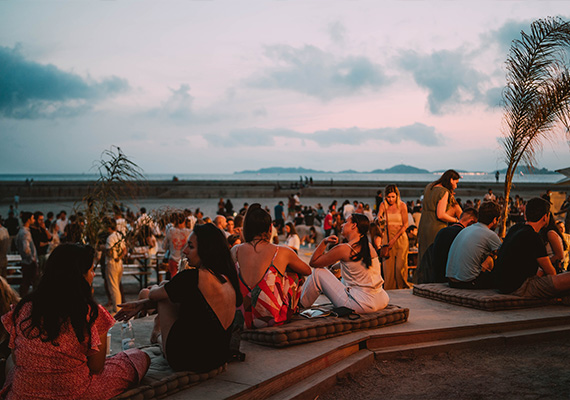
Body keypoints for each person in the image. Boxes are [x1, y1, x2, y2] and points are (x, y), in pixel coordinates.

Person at [1, 244, 150, 399]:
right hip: (77, 393)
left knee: (12, 364)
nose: (93, 275)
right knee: (140, 357)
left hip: (24, 393)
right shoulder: (91, 313)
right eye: (91, 270)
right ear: (80, 276)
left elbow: (16, 357)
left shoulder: (23, 308)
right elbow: (97, 367)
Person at [116, 224, 241, 373]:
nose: (184, 251)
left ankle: (158, 336)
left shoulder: (194, 277)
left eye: (191, 247)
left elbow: (153, 294)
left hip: (188, 360)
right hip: (218, 356)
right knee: (170, 290)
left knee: (163, 291)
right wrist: (142, 304)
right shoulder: (227, 278)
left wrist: (156, 289)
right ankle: (158, 333)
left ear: (206, 250)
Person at [231, 204, 311, 329]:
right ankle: (290, 311)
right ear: (270, 228)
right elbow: (307, 270)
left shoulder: (235, 250)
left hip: (242, 318)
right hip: (269, 319)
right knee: (294, 275)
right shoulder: (282, 251)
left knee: (234, 270)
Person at [300, 214, 389, 313]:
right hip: (381, 299)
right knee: (344, 277)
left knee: (317, 272)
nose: (342, 225)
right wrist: (335, 267)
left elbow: (314, 262)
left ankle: (299, 304)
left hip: (361, 303)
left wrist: (324, 242)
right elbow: (356, 264)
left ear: (354, 225)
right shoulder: (368, 246)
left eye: (346, 222)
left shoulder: (344, 249)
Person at [493, 197, 570, 297]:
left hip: (501, 285)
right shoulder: (534, 237)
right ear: (545, 217)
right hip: (519, 287)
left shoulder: (515, 228)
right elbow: (551, 272)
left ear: (526, 215)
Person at [445, 202, 502, 289]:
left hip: (451, 281)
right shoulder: (490, 235)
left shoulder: (466, 229)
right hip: (468, 282)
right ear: (494, 220)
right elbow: (505, 256)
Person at [414, 207, 478, 284]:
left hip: (436, 276)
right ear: (471, 222)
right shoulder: (463, 234)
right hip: (450, 279)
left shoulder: (442, 231)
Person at [417, 169, 462, 264]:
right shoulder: (443, 192)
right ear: (451, 180)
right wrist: (456, 220)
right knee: (434, 257)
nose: (456, 186)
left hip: (423, 224)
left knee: (423, 257)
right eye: (456, 183)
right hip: (435, 226)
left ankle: (423, 278)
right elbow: (441, 215)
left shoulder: (429, 186)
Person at [376, 185, 410, 289]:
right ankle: (390, 290)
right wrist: (378, 219)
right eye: (388, 197)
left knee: (400, 267)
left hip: (400, 237)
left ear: (397, 196)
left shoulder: (402, 205)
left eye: (393, 197)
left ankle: (402, 288)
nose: (390, 199)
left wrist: (394, 239)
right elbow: (378, 218)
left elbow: (405, 225)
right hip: (387, 236)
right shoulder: (383, 205)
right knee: (388, 269)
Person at [105, 217, 127, 315]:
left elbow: (109, 252)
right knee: (116, 286)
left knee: (113, 287)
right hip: (119, 262)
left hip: (112, 263)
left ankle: (116, 308)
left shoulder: (110, 238)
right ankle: (117, 307)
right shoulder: (119, 236)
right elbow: (124, 250)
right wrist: (119, 257)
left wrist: (103, 250)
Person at [162, 213, 191, 278]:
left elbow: (164, 246)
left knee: (174, 277)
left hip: (172, 258)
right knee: (184, 278)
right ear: (184, 221)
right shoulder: (189, 232)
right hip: (184, 259)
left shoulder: (170, 231)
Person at [15, 212, 37, 297]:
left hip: (26, 261)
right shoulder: (25, 232)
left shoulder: (22, 231)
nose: (34, 220)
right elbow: (26, 249)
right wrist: (32, 259)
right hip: (29, 262)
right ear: (28, 220)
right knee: (27, 283)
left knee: (26, 282)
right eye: (32, 218)